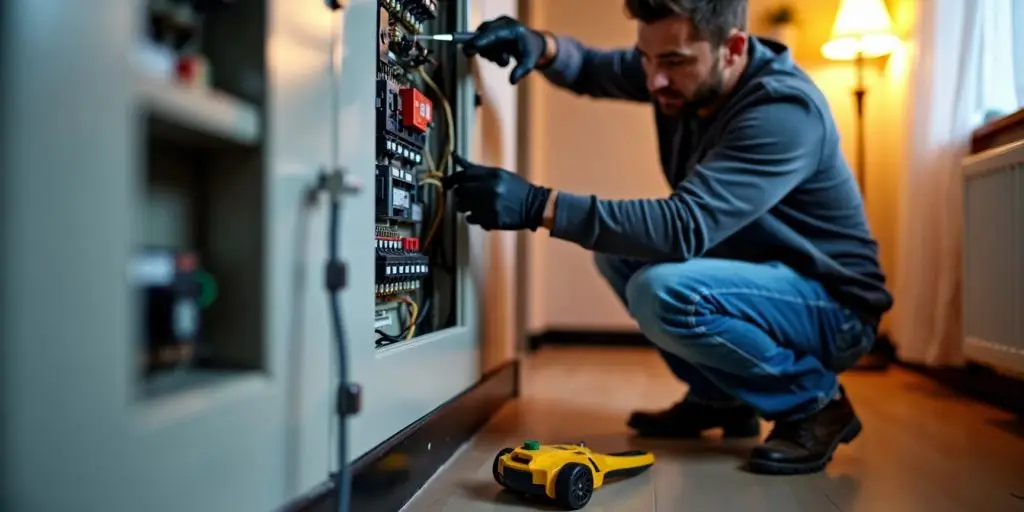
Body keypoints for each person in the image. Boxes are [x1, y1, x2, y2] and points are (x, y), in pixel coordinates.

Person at [442, 0, 893, 475]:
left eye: (674, 62)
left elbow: (682, 227)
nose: (654, 80)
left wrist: (538, 205)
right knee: (617, 255)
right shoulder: (676, 69)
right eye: (646, 58)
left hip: (833, 307)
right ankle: (719, 400)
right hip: (763, 282)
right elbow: (593, 68)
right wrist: (537, 44)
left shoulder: (783, 110)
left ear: (733, 48)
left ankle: (815, 404)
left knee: (661, 290)